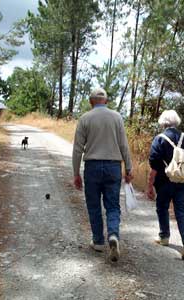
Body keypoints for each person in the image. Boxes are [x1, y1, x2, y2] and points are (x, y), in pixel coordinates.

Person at [72, 87, 133, 262]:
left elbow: (77, 149)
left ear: (91, 102)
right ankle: (113, 235)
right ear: (106, 101)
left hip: (92, 166)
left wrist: (76, 173)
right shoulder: (117, 117)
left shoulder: (85, 118)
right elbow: (124, 145)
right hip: (113, 167)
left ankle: (98, 241)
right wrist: (129, 169)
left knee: (94, 205)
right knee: (113, 205)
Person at [147, 110, 184, 259]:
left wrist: (150, 185)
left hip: (164, 181)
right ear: (177, 122)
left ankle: (164, 237)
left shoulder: (159, 139)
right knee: (181, 210)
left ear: (163, 123)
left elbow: (154, 163)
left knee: (162, 206)